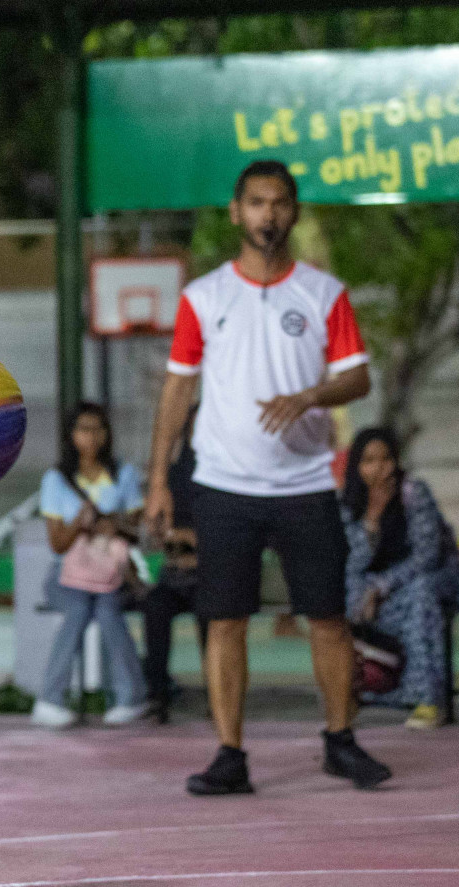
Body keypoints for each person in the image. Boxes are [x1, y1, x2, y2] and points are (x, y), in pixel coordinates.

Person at [146, 159, 391, 796]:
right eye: (256, 202)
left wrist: (310, 396)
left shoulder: (323, 293)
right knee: (224, 621)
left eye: (279, 202)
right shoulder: (204, 296)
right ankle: (230, 755)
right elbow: (177, 390)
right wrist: (157, 480)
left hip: (306, 482)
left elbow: (358, 376)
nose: (268, 214)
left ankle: (340, 741)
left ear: (294, 211)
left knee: (328, 617)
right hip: (223, 484)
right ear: (237, 212)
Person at [29, 401, 148, 729]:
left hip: (110, 571)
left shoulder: (123, 473)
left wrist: (114, 524)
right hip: (66, 573)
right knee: (81, 607)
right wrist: (80, 523)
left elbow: (135, 531)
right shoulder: (56, 479)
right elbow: (58, 544)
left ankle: (126, 698)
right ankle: (56, 698)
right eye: (84, 429)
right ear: (71, 435)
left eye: (98, 429)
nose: (92, 437)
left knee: (107, 606)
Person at [341, 426, 459, 728]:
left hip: (435, 579)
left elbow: (428, 555)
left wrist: (382, 586)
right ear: (357, 466)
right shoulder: (348, 504)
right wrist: (372, 519)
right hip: (376, 590)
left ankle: (429, 701)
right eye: (369, 461)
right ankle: (365, 692)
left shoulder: (413, 494)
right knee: (346, 602)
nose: (379, 468)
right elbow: (353, 564)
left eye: (386, 459)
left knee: (421, 594)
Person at [141, 404, 208, 723]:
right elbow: (156, 533)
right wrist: (171, 534)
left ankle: (219, 693)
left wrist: (192, 539)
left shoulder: (225, 476)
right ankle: (158, 694)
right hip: (174, 575)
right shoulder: (169, 477)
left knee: (214, 613)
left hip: (210, 577)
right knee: (155, 608)